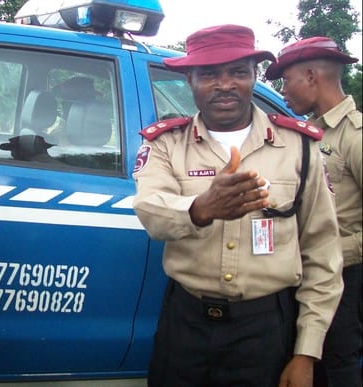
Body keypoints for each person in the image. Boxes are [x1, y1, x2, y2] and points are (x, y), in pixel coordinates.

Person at [132, 24, 344, 387]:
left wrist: (306, 353)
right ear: (189, 80)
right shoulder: (166, 144)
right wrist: (202, 207)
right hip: (186, 325)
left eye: (238, 72)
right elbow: (150, 211)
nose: (225, 84)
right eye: (209, 74)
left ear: (254, 76)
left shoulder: (300, 147)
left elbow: (323, 253)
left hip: (265, 329)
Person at [266, 36, 362, 387]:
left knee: (336, 365)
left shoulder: (355, 136)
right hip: (309, 273)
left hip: (345, 277)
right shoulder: (310, 135)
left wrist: (335, 251)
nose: (284, 91)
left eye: (286, 80)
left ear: (310, 76)